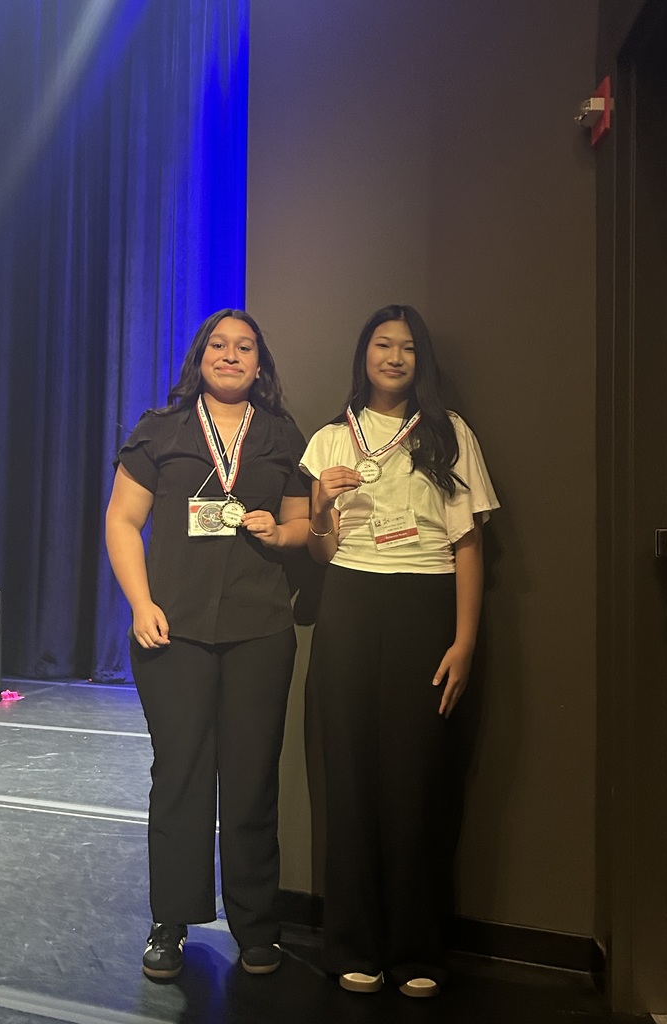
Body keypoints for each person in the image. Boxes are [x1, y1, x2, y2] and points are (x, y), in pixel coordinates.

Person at [301, 304, 499, 998]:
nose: (394, 356)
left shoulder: (450, 434)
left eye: (407, 347)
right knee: (349, 778)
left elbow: (468, 543)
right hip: (350, 600)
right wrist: (321, 507)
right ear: (363, 355)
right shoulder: (330, 438)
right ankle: (353, 943)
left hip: (426, 602)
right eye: (382, 345)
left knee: (415, 782)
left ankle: (417, 950)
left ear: (422, 361)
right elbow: (322, 552)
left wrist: (465, 640)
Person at [105, 309, 310, 980]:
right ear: (200, 357)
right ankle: (170, 923)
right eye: (219, 345)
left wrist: (283, 534)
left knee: (252, 782)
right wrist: (140, 603)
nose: (231, 355)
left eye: (245, 347)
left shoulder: (281, 434)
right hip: (175, 630)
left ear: (260, 364)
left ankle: (257, 926)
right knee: (181, 776)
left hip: (260, 631)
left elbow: (303, 523)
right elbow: (123, 519)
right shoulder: (159, 430)